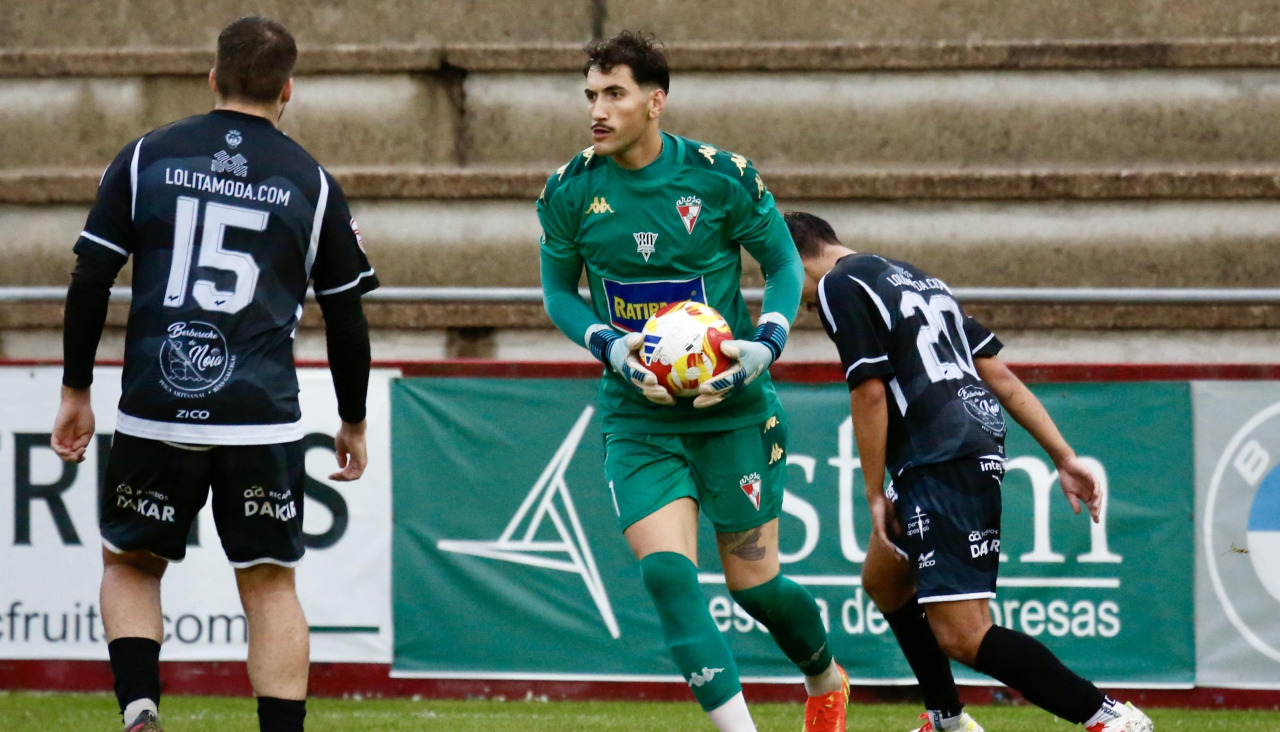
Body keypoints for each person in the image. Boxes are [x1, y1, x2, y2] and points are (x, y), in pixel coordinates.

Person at [49, 16, 378, 732]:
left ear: (213, 78)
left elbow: (90, 278)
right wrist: (352, 419)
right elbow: (347, 316)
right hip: (260, 412)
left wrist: (76, 388)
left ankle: (140, 709)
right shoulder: (312, 183)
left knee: (133, 563)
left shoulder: (146, 158)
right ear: (287, 90)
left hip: (157, 402)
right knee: (268, 584)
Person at [538, 31, 848, 732]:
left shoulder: (720, 177)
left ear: (656, 101)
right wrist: (611, 348)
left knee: (756, 588)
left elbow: (785, 266)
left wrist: (766, 344)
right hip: (638, 415)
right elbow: (559, 294)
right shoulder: (569, 191)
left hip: (732, 411)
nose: (598, 109)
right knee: (668, 577)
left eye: (614, 94)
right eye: (591, 95)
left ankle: (826, 677)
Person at [784, 211, 1154, 732]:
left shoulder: (837, 286)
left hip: (939, 453)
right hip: (967, 439)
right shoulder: (914, 277)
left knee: (963, 633)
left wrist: (872, 493)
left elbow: (869, 391)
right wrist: (1062, 455)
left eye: (776, 272)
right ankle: (947, 720)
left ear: (793, 255)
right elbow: (997, 375)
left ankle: (1108, 718)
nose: (785, 294)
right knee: (885, 582)